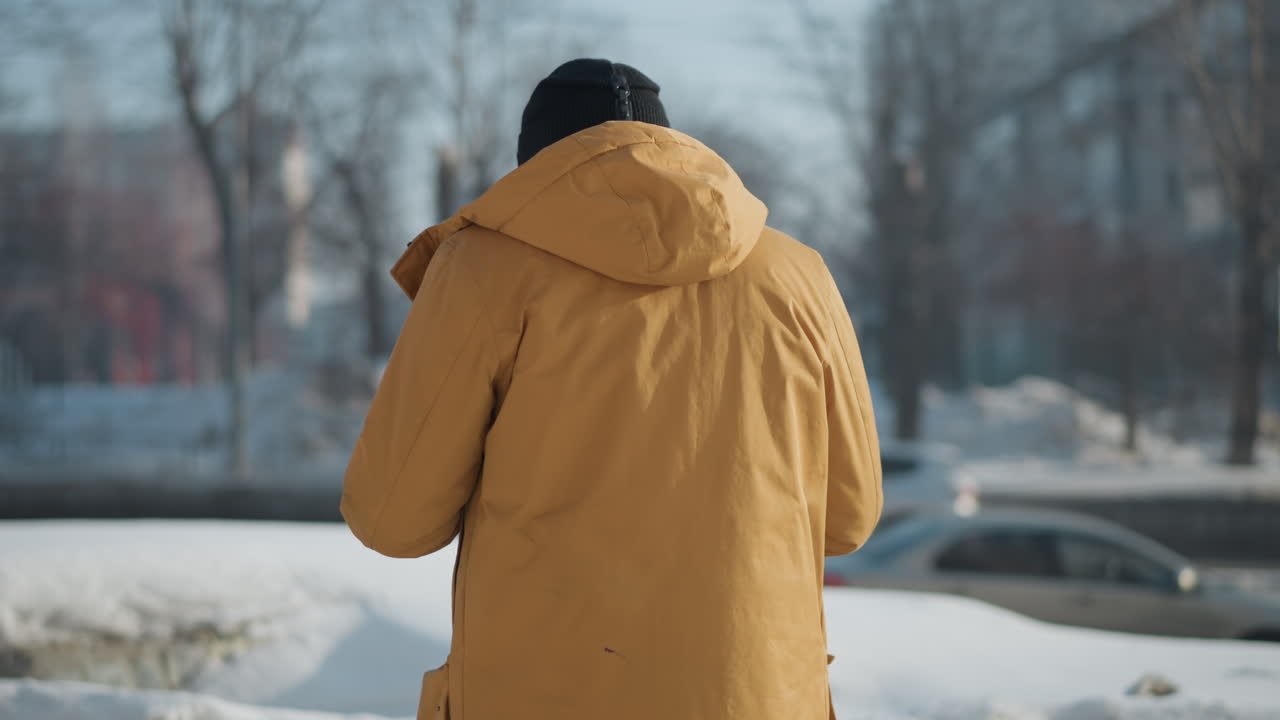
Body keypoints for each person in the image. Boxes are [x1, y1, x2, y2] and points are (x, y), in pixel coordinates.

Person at [341, 58, 882, 720]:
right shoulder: (800, 277)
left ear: (533, 170)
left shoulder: (482, 271)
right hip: (760, 698)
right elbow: (850, 518)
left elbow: (392, 519)